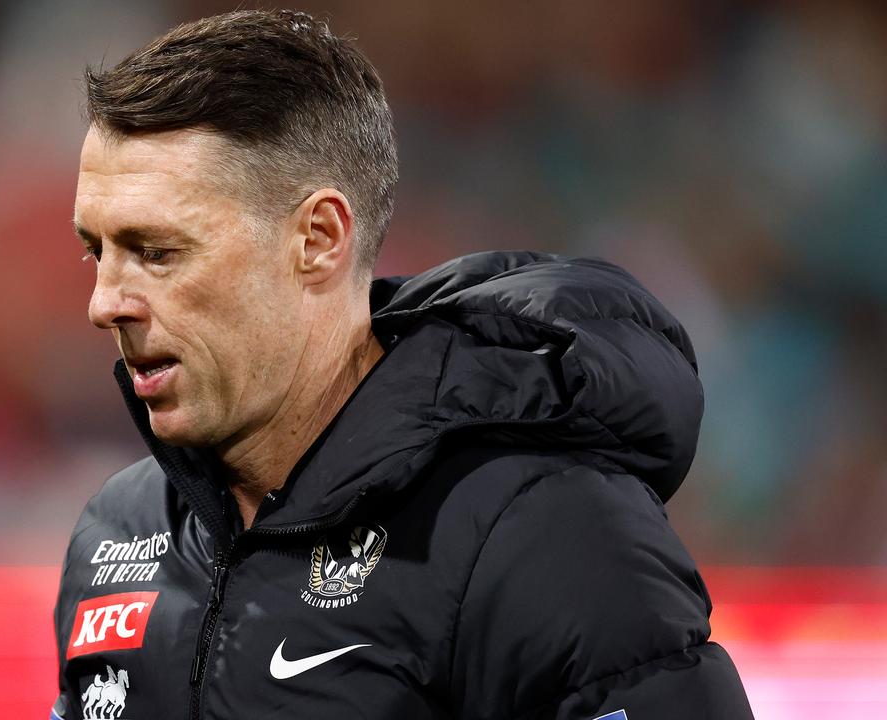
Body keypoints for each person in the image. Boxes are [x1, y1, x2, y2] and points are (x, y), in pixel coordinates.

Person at [53, 9, 753, 720]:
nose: (105, 303)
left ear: (318, 240)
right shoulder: (119, 531)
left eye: (158, 253)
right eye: (97, 251)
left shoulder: (540, 530)